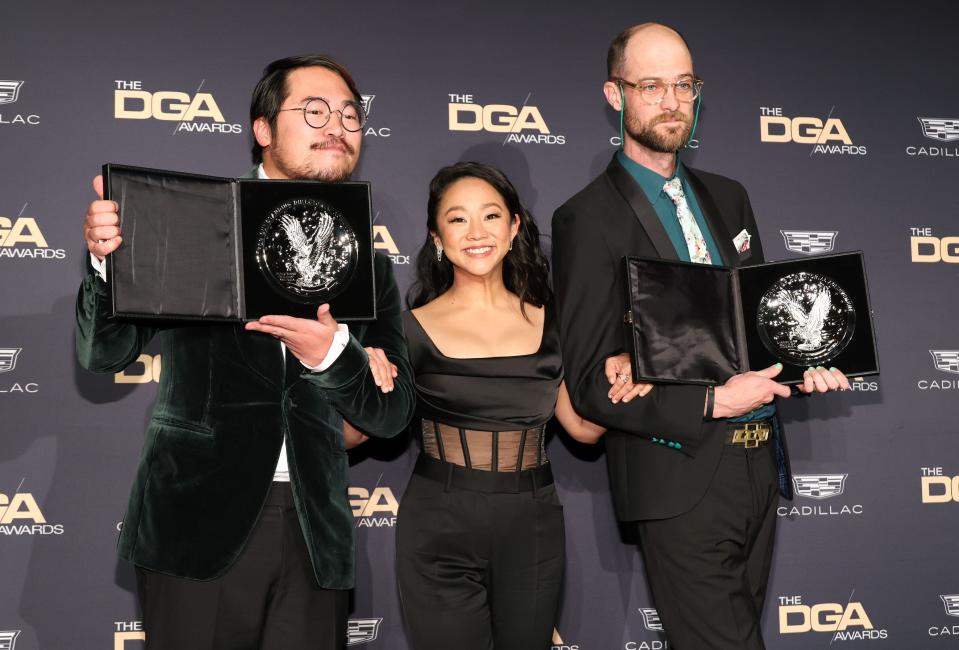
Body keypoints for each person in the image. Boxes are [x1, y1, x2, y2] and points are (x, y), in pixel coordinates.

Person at [76, 54, 415, 650]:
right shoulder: (195, 223)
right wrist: (108, 265)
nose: (335, 124)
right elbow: (104, 353)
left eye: (348, 114)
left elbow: (391, 413)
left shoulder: (368, 265)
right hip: (196, 523)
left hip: (316, 536)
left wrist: (332, 355)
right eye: (313, 110)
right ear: (262, 129)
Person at [551, 24, 850, 650]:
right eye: (651, 85)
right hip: (677, 475)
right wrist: (712, 401)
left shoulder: (729, 197)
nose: (671, 101)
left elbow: (761, 331)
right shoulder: (586, 218)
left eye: (683, 85)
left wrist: (803, 366)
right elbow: (587, 388)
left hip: (758, 465)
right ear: (615, 94)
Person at [345, 161, 646, 650]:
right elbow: (356, 432)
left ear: (514, 228)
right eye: (457, 219)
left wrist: (631, 376)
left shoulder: (554, 323)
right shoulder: (406, 328)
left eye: (490, 216)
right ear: (436, 237)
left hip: (532, 523)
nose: (476, 232)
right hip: (439, 523)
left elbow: (584, 429)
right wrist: (350, 374)